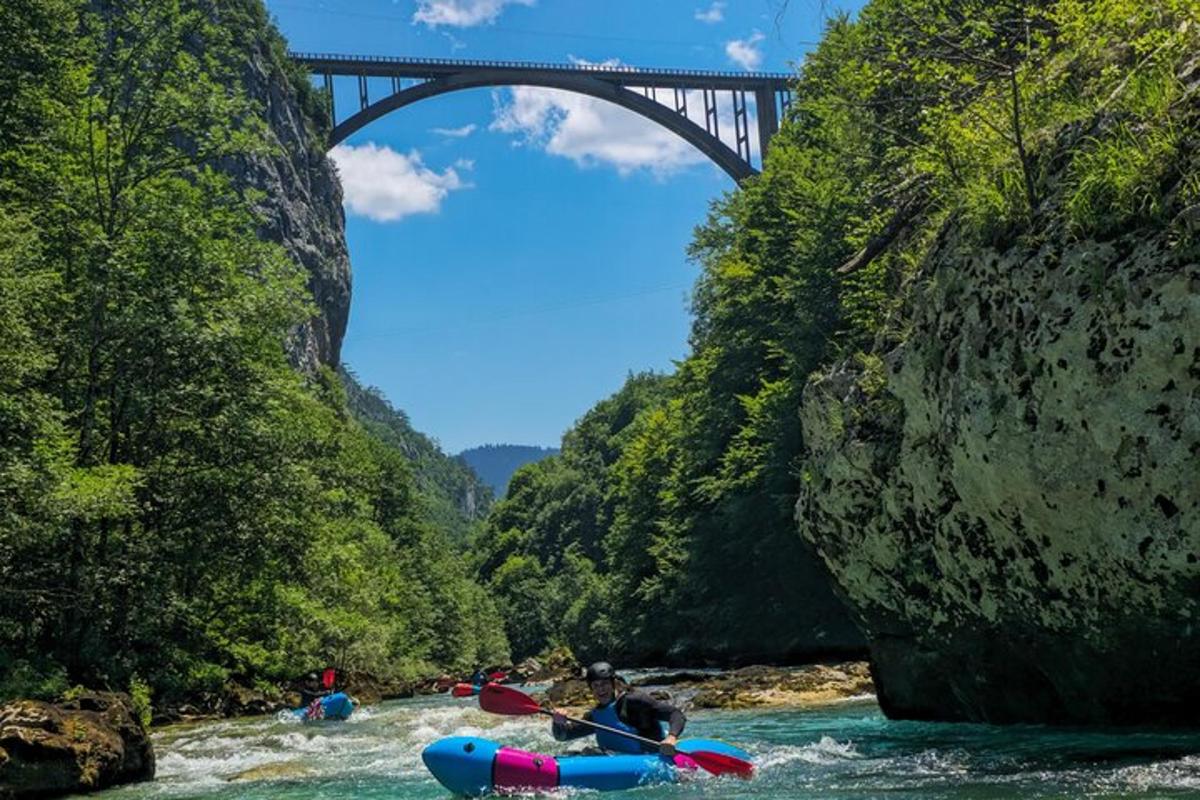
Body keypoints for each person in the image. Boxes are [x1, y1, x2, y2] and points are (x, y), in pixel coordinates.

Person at [551, 661, 684, 756]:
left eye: (604, 684)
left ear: (613, 683)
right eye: (595, 685)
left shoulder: (635, 701)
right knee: (579, 753)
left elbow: (675, 714)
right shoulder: (595, 716)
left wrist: (671, 737)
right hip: (615, 758)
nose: (600, 689)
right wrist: (558, 723)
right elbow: (563, 736)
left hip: (649, 757)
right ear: (591, 689)